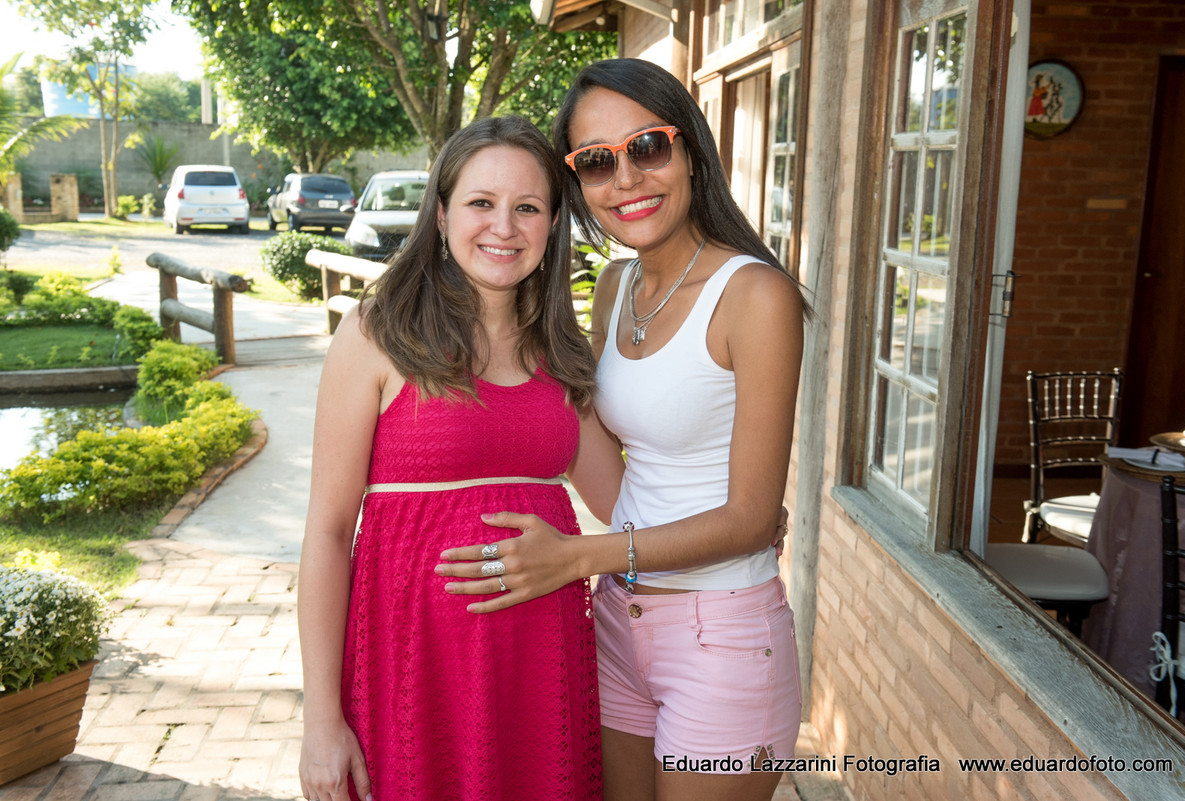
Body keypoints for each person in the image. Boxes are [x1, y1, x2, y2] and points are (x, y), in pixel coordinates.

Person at [438, 59, 809, 801]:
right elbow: (604, 463)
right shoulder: (615, 286)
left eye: (647, 147)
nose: (627, 178)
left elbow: (750, 518)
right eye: (597, 162)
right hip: (618, 620)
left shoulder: (755, 296)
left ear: (690, 150)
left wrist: (576, 557)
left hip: (721, 632)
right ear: (578, 185)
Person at [298, 115, 622, 801]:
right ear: (442, 214)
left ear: (553, 223)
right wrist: (321, 720)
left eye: (527, 207)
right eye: (481, 202)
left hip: (540, 668)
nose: (504, 227)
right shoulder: (377, 332)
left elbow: (622, 502)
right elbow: (327, 533)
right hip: (412, 674)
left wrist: (728, 510)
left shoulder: (562, 351)